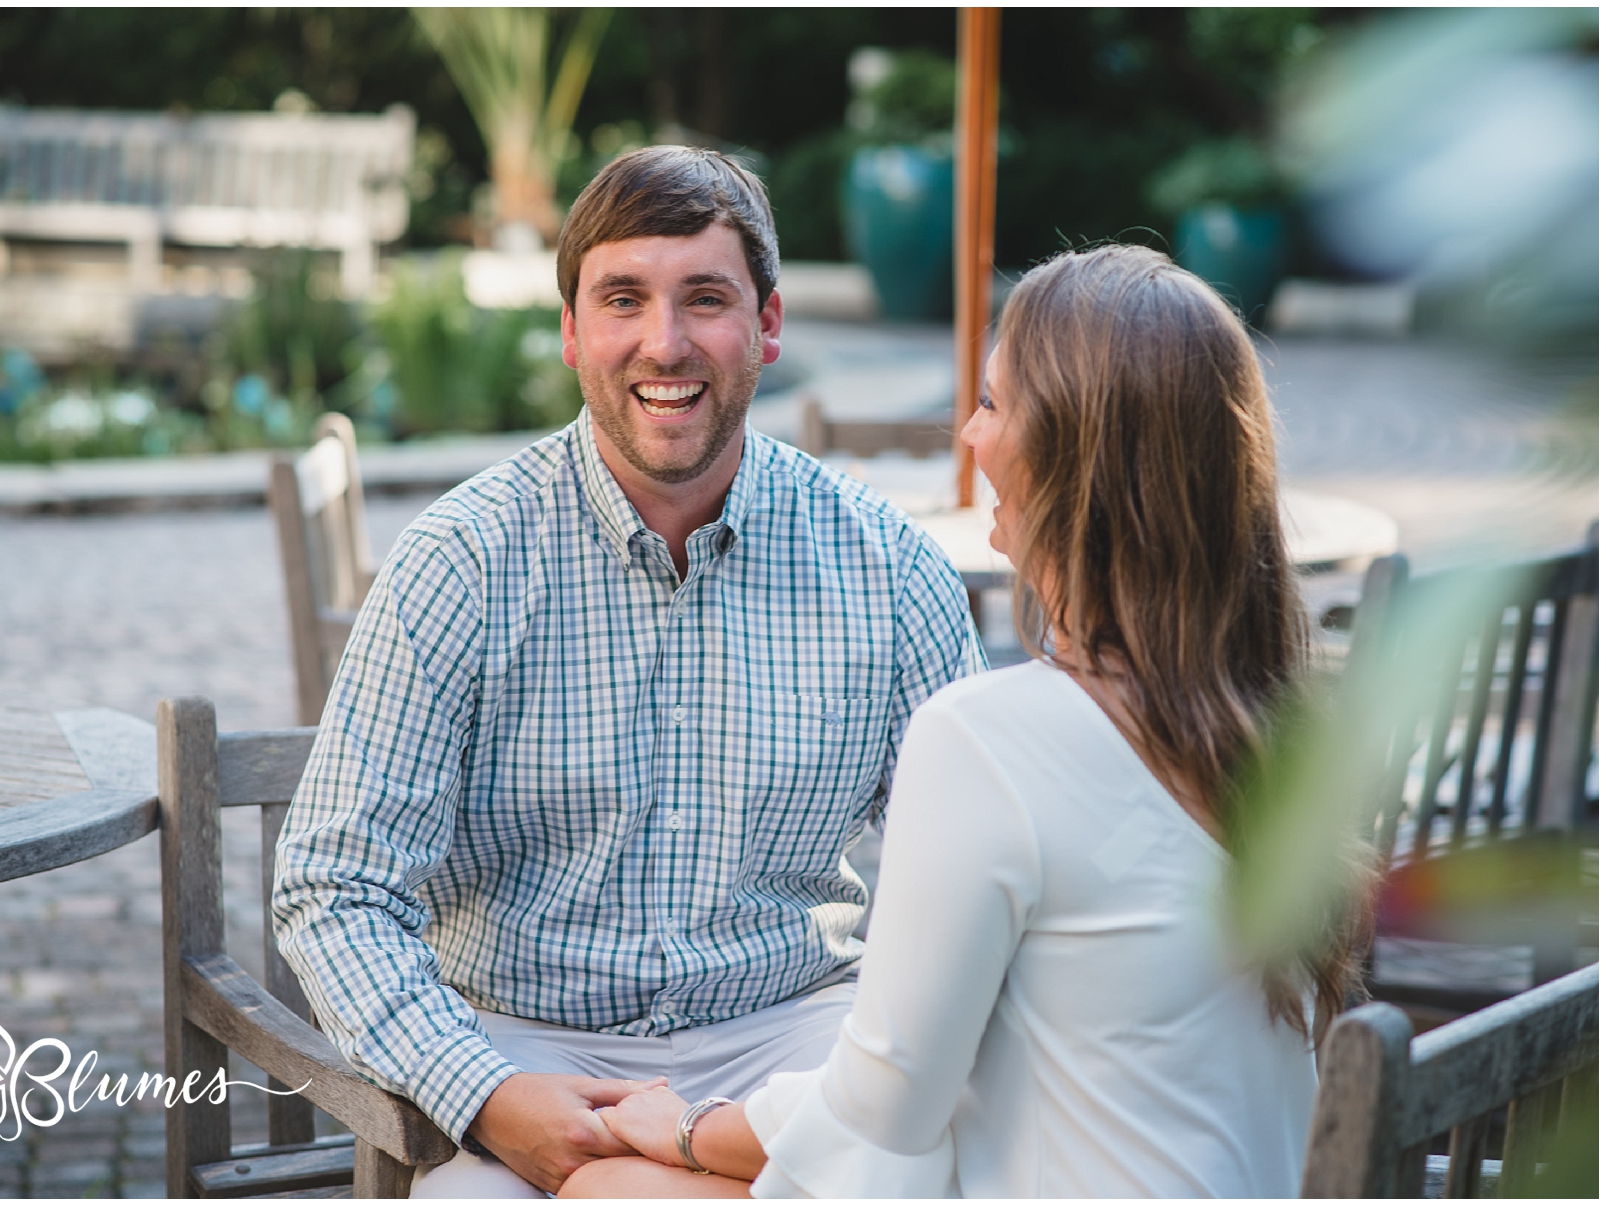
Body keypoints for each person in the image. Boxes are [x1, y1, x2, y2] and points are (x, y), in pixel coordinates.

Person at [562, 244, 1377, 1198]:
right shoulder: (1274, 726)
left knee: (610, 1190)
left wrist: (686, 1127)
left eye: (993, 403)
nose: (968, 435)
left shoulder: (990, 739)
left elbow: (886, 1103)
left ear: (1073, 454)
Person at [271, 145, 985, 1197]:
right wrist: (483, 1093)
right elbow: (332, 889)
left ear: (768, 325)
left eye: (706, 298)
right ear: (570, 332)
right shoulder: (460, 563)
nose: (666, 342)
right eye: (622, 299)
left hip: (796, 1042)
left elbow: (970, 880)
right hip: (525, 1046)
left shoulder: (887, 567)